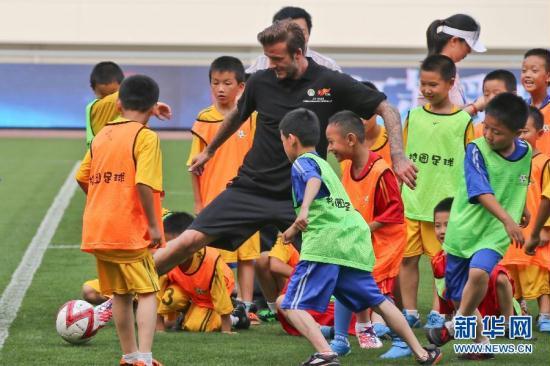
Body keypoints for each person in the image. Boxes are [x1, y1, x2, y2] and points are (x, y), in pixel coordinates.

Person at [153, 20, 416, 278]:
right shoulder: (260, 82)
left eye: (277, 59)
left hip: (303, 196)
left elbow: (387, 109)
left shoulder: (329, 83)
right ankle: (131, 289)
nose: (271, 65)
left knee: (341, 262)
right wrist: (210, 151)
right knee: (188, 240)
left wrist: (398, 156)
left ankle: (365, 319)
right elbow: (237, 114)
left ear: (298, 53)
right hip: (251, 188)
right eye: (268, 58)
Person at [277, 108, 441, 366]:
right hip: (351, 242)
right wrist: (293, 229)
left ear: (291, 139)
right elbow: (328, 205)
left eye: (282, 140)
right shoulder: (327, 166)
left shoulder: (303, 162)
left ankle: (325, 354)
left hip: (326, 245)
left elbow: (311, 182)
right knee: (376, 300)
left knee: (289, 304)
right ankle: (423, 352)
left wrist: (305, 208)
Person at [427, 93, 531, 360]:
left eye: (496, 132)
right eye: (486, 127)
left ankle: (452, 325)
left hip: (494, 232)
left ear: (517, 133)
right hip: (463, 231)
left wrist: (521, 210)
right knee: (461, 295)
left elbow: (519, 182)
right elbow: (481, 190)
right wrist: (509, 217)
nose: (488, 134)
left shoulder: (526, 152)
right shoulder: (476, 149)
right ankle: (481, 342)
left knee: (479, 272)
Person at [77, 75, 164, 366]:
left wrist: (105, 199)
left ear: (119, 103)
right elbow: (144, 184)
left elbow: (83, 177)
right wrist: (153, 225)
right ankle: (146, 357)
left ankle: (129, 356)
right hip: (128, 230)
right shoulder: (145, 136)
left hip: (99, 229)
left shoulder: (101, 135)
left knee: (121, 294)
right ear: (153, 108)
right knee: (149, 291)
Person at [325, 110, 408, 358]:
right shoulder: (347, 167)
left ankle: (402, 341)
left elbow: (395, 210)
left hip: (384, 243)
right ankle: (341, 339)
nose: (329, 149)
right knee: (342, 280)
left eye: (331, 142)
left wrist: (366, 228)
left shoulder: (381, 171)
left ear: (350, 139)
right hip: (359, 241)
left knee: (376, 291)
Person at [399, 55, 473, 329]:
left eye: (433, 84)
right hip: (411, 201)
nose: (427, 90)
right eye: (423, 84)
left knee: (441, 265)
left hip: (443, 208)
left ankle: (437, 312)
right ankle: (409, 311)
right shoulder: (413, 116)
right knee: (406, 259)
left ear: (451, 83)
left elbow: (471, 162)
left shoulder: (464, 121)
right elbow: (401, 157)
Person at [187, 56, 260, 323]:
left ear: (241, 86)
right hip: (215, 198)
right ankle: (224, 302)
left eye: (227, 83)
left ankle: (246, 305)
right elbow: (193, 165)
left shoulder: (251, 118)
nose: (221, 88)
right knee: (220, 255)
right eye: (215, 83)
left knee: (247, 255)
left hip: (248, 196)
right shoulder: (203, 119)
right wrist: (198, 202)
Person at [157, 212, 250, 333]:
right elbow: (157, 295)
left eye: (177, 246)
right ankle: (188, 313)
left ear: (191, 243)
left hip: (211, 295)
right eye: (169, 245)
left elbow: (220, 295)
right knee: (171, 298)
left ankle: (237, 315)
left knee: (198, 327)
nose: (172, 251)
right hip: (189, 289)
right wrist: (159, 329)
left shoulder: (210, 262)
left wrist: (226, 329)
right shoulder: (166, 258)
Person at [431, 198, 517, 326]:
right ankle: (468, 324)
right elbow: (443, 291)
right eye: (437, 226)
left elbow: (503, 280)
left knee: (497, 276)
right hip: (469, 317)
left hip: (493, 313)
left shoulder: (482, 252)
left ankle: (509, 323)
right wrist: (440, 314)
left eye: (448, 225)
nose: (442, 231)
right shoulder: (438, 260)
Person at [501, 106, 550, 332]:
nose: (520, 137)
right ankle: (515, 313)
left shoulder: (544, 163)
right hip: (510, 234)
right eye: (517, 132)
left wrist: (545, 229)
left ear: (540, 133)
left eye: (526, 132)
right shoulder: (507, 162)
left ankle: (546, 314)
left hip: (534, 234)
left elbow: (547, 196)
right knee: (510, 275)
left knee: (539, 275)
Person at [85, 62, 171, 148]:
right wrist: (150, 103)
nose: (108, 98)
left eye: (113, 93)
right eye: (102, 96)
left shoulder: (127, 109)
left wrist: (151, 104)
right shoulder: (94, 107)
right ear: (93, 89)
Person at [420, 14, 486, 110]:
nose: (469, 51)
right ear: (454, 41)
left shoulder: (449, 69)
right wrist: (476, 107)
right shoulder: (436, 71)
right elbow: (442, 119)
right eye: (468, 45)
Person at [246, 6, 340, 74]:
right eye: (288, 33)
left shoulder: (327, 65)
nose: (295, 38)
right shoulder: (262, 62)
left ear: (309, 33)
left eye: (301, 32)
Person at [472, 70, 518, 138]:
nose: (491, 99)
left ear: (513, 95)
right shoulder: (477, 130)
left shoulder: (524, 125)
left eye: (497, 94)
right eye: (486, 94)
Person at [521, 48, 550, 155]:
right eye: (524, 70)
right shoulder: (518, 109)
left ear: (548, 76)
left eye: (534, 71)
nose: (527, 75)